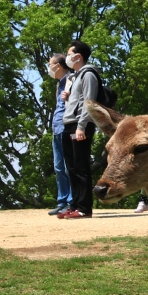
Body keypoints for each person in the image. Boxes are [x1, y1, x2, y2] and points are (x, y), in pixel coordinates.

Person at [59, 40, 102, 220]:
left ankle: (84, 208)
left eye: (69, 54)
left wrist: (81, 126)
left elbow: (89, 102)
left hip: (79, 125)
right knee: (71, 167)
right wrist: (68, 98)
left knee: (81, 166)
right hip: (69, 123)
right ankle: (75, 205)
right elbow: (78, 101)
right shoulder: (75, 77)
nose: (67, 57)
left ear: (78, 56)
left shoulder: (89, 74)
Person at [47, 54, 72, 216]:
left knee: (68, 167)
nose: (49, 68)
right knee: (58, 167)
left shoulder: (71, 80)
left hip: (65, 128)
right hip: (56, 128)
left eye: (50, 65)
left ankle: (70, 202)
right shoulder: (59, 84)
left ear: (58, 66)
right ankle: (62, 201)